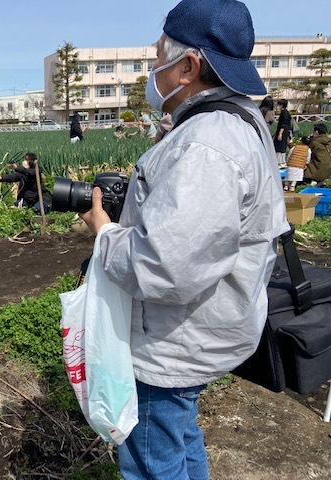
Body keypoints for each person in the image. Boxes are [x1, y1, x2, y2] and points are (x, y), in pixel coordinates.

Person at [79, 1, 289, 478]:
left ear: (188, 67)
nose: (153, 70)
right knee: (180, 438)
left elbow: (164, 267)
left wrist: (105, 233)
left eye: (157, 59)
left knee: (153, 458)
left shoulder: (206, 145)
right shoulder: (240, 120)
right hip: (204, 330)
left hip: (172, 344)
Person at [273, 98, 292, 167]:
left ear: (281, 105)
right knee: (282, 147)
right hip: (286, 132)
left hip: (283, 132)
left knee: (279, 147)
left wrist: (280, 133)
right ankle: (282, 162)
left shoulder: (283, 113)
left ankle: (280, 163)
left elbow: (283, 125)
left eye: (278, 105)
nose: (277, 106)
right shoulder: (287, 112)